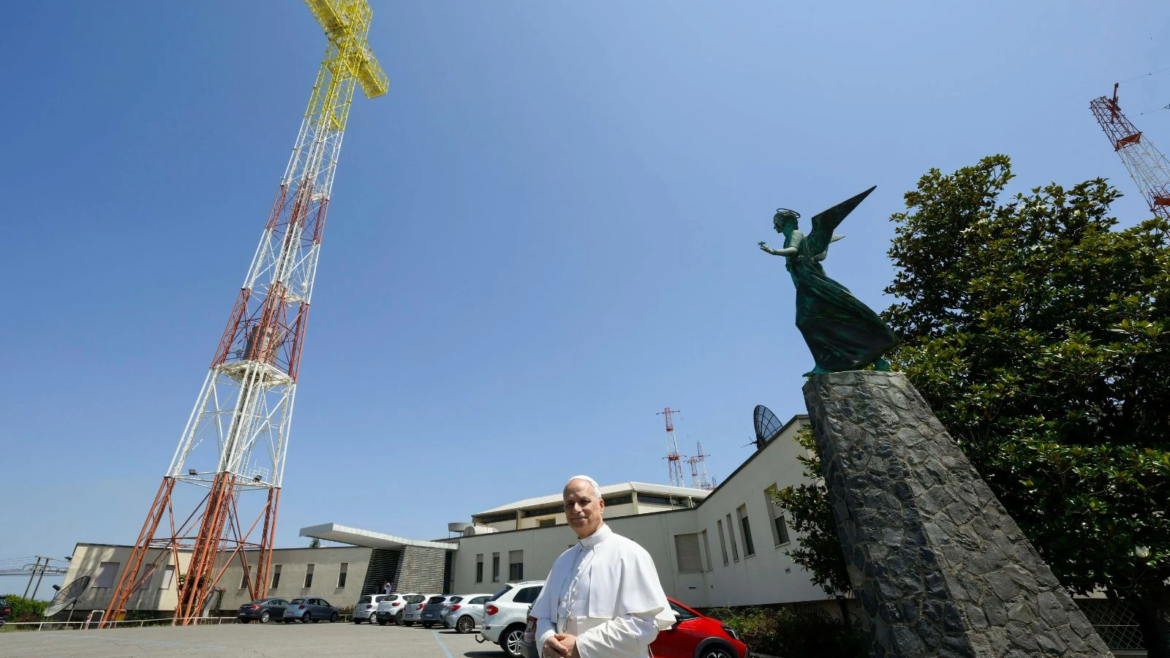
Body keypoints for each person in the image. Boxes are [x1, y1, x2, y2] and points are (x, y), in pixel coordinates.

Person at [531, 475, 675, 658]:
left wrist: (581, 646)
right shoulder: (562, 561)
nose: (576, 509)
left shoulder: (630, 553)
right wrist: (546, 638)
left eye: (583, 501)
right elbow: (544, 617)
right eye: (569, 504)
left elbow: (644, 623)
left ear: (600, 506)